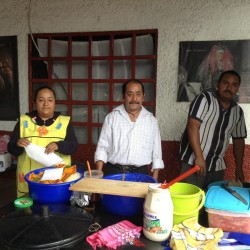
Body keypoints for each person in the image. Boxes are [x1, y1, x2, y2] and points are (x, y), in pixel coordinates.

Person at [179, 70, 247, 190]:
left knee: (211, 204)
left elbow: (239, 141)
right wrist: (199, 157)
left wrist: (239, 167)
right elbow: (192, 126)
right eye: (225, 83)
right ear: (218, 84)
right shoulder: (205, 99)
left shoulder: (238, 112)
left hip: (217, 167)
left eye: (234, 85)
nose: (229, 88)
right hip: (193, 162)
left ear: (237, 89)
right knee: (191, 201)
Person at [8, 86, 79, 197]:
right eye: (41, 100)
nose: (46, 104)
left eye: (50, 100)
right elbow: (11, 148)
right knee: (30, 210)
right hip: (29, 179)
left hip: (57, 179)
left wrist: (59, 145)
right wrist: (17, 144)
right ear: (35, 102)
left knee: (57, 208)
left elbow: (73, 146)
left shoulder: (64, 122)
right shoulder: (24, 121)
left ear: (55, 102)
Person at [94, 79, 164, 180]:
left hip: (140, 174)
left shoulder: (151, 121)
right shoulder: (112, 117)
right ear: (123, 96)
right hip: (113, 172)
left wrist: (154, 179)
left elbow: (157, 153)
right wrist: (99, 173)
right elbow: (102, 147)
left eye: (138, 94)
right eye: (130, 94)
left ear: (143, 96)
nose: (134, 98)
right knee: (111, 196)